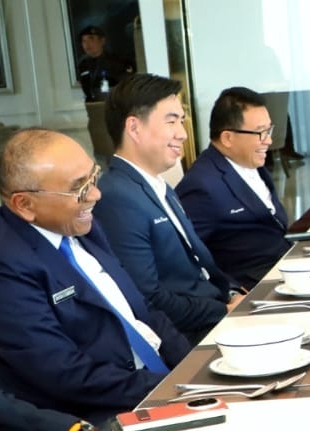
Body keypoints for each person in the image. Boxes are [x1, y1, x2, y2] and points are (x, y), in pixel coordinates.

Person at [0, 129, 190, 424]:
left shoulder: (81, 227)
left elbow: (142, 310)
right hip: (102, 414)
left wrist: (192, 371)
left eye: (93, 177)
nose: (96, 194)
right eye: (79, 188)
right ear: (25, 205)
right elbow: (66, 375)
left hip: (158, 383)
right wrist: (171, 389)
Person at [93, 74, 244, 344]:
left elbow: (198, 265)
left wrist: (232, 293)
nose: (182, 133)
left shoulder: (158, 185)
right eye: (171, 121)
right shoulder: (116, 197)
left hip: (216, 311)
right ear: (134, 127)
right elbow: (148, 297)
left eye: (181, 121)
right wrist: (223, 311)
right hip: (190, 336)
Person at [176, 87, 292, 290]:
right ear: (228, 138)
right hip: (255, 289)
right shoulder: (202, 186)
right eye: (260, 133)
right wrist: (230, 292)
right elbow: (185, 258)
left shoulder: (251, 163)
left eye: (269, 130)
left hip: (286, 270)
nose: (269, 140)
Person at [75, 25, 134, 103]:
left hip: (115, 103)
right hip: (92, 104)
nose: (87, 44)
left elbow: (127, 85)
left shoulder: (116, 61)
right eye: (84, 41)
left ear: (102, 41)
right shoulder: (83, 64)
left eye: (91, 39)